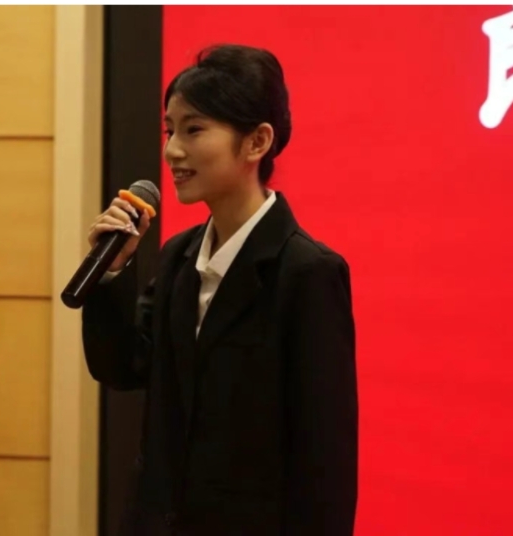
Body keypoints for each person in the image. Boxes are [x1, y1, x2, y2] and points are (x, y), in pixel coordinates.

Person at [82, 44, 358, 536]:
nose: (172, 150)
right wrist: (110, 275)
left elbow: (325, 463)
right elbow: (123, 366)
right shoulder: (178, 256)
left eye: (194, 130)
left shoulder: (307, 273)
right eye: (169, 130)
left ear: (257, 142)